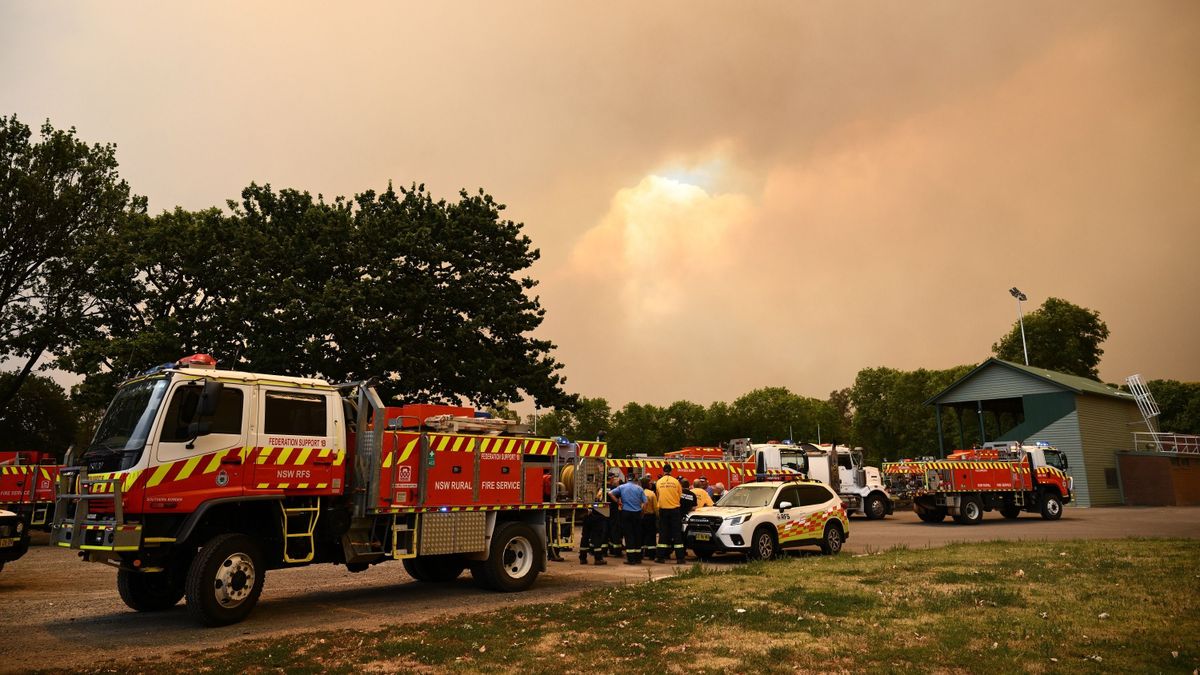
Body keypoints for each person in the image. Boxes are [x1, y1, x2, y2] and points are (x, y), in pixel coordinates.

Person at [609, 473, 647, 564]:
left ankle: (631, 559)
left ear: (627, 478)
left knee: (629, 535)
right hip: (637, 513)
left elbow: (610, 493)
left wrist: (618, 502)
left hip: (626, 513)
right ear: (634, 479)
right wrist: (642, 513)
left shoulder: (622, 487)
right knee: (637, 535)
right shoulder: (639, 488)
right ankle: (638, 558)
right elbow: (645, 503)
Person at [655, 465, 686, 564]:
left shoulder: (659, 482)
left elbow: (658, 495)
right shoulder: (676, 482)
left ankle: (660, 557)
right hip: (675, 510)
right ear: (671, 471)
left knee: (663, 534)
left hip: (663, 510)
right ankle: (680, 558)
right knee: (677, 534)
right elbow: (680, 495)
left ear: (663, 471)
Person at [579, 484, 609, 566]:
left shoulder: (585, 492)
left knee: (585, 536)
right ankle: (598, 558)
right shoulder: (601, 492)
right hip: (597, 516)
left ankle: (582, 558)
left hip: (587, 516)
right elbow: (599, 503)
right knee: (597, 537)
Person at [639, 475, 658, 561]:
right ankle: (651, 554)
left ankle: (640, 553)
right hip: (650, 517)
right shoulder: (651, 494)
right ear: (647, 484)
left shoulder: (638, 492)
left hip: (640, 516)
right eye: (649, 483)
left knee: (641, 535)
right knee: (651, 536)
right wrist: (658, 516)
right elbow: (655, 507)